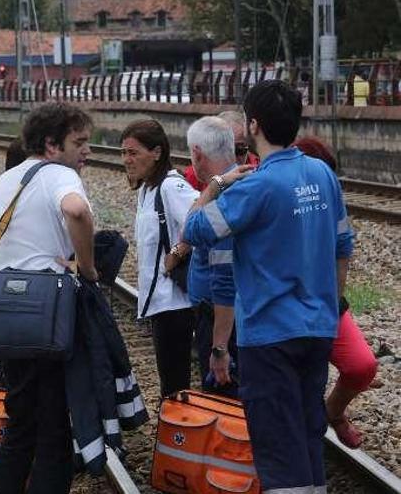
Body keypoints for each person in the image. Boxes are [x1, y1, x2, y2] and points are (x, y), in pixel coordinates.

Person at [184, 80, 354, 493]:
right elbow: (342, 246)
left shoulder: (254, 187)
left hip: (269, 334)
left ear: (254, 125)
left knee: (278, 445)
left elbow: (195, 229)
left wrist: (215, 186)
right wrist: (329, 305)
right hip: (317, 328)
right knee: (308, 432)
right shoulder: (321, 174)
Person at [0, 102, 97, 493]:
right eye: (79, 142)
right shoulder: (58, 175)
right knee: (53, 431)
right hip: (47, 322)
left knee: (20, 426)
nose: (87, 151)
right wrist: (88, 267)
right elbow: (77, 211)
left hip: (8, 329)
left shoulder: (4, 182)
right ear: (52, 145)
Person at [294, 136, 378, 448]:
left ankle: (334, 411)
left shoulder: (329, 205)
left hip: (326, 302)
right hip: (284, 308)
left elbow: (343, 250)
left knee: (362, 365)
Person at [121, 119, 199, 398]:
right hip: (160, 304)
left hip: (175, 303)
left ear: (156, 152)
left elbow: (203, 219)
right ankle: (175, 435)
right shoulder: (146, 190)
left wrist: (178, 252)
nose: (127, 159)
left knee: (175, 384)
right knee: (170, 381)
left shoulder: (170, 186)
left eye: (134, 152)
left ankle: (177, 436)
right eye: (124, 153)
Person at [184, 116, 239, 396]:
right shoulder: (240, 182)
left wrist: (220, 347)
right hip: (223, 315)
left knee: (223, 398)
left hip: (220, 319)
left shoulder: (223, 194)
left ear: (196, 153)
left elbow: (224, 277)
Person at [183, 111, 259, 191]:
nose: (231, 159)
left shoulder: (258, 168)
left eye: (239, 149)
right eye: (224, 149)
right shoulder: (194, 176)